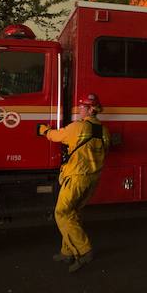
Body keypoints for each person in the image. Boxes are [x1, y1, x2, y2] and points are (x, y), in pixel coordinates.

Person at [38, 93, 110, 273]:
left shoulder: (78, 128)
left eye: (83, 107)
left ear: (90, 110)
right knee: (74, 213)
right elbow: (106, 150)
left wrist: (44, 131)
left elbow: (56, 136)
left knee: (62, 213)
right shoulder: (104, 131)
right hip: (93, 179)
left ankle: (84, 251)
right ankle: (67, 252)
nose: (79, 110)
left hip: (77, 178)